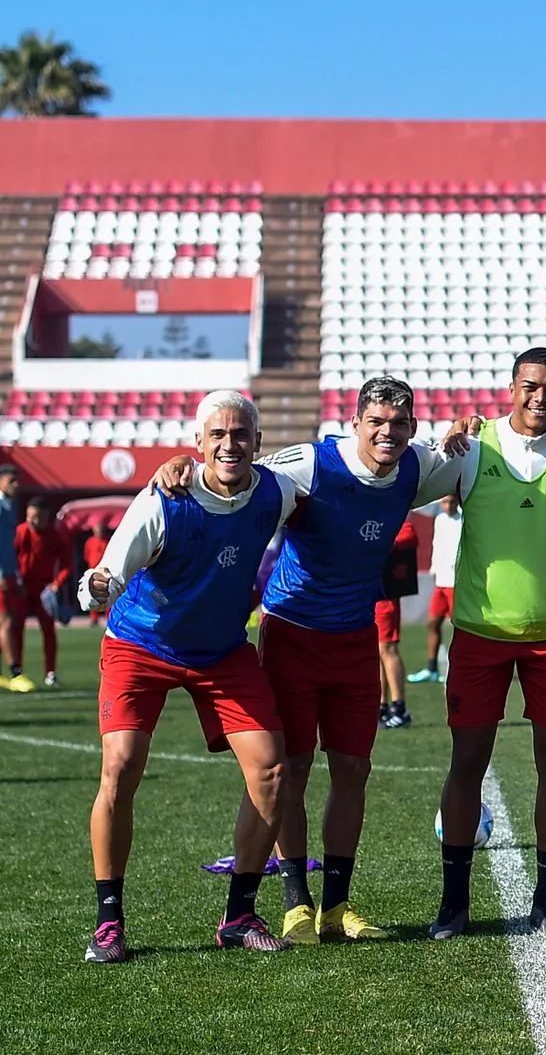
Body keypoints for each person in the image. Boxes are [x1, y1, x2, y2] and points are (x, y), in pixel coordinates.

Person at [152, 376, 467, 945]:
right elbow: (234, 470)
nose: (386, 433)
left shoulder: (419, 467)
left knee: (353, 771)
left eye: (398, 424)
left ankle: (337, 906)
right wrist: (181, 462)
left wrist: (469, 430)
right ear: (355, 425)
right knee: (292, 770)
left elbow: (477, 454)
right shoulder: (310, 465)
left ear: (413, 428)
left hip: (353, 641)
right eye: (375, 422)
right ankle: (296, 901)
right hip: (292, 635)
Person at [79, 391, 299, 962]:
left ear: (257, 441)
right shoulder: (164, 498)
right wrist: (96, 587)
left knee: (273, 773)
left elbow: (346, 464)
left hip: (221, 651)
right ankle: (109, 921)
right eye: (217, 435)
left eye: (241, 434)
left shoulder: (275, 490)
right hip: (141, 644)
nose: (230, 445)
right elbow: (108, 570)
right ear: (198, 444)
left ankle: (239, 913)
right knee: (121, 768)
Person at [429, 347, 546, 940]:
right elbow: (394, 481)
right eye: (531, 386)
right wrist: (446, 434)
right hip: (480, 636)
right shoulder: (471, 449)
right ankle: (454, 904)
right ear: (511, 388)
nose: (541, 397)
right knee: (467, 766)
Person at [10, 498, 72, 689]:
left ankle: (50, 673)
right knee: (16, 628)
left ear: (47, 518)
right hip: (21, 587)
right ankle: (17, 670)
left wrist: (56, 584)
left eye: (37, 517)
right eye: (30, 516)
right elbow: (10, 556)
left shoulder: (55, 535)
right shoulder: (21, 531)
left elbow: (66, 564)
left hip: (43, 588)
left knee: (48, 630)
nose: (33, 521)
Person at [407, 494, 461, 684]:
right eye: (444, 502)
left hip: (456, 583)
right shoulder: (439, 519)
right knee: (432, 623)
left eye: (451, 502)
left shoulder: (463, 520)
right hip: (440, 582)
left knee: (459, 628)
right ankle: (431, 668)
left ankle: (460, 668)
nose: (448, 505)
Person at [376, 517, 419, 728]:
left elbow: (409, 535)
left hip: (385, 596)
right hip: (370, 595)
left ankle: (399, 708)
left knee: (387, 649)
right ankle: (382, 707)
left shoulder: (396, 518)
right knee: (376, 652)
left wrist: (378, 542)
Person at [0, 465, 22, 689]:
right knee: (6, 621)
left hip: (8, 572)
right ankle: (15, 672)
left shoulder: (9, 506)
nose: (16, 485)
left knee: (7, 620)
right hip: (1, 574)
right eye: (11, 481)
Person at [83, 521, 113, 625]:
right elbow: (87, 556)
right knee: (92, 594)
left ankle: (108, 617)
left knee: (107, 594)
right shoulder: (89, 541)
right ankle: (94, 618)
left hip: (105, 572)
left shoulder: (109, 541)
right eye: (97, 529)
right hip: (93, 571)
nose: (99, 531)